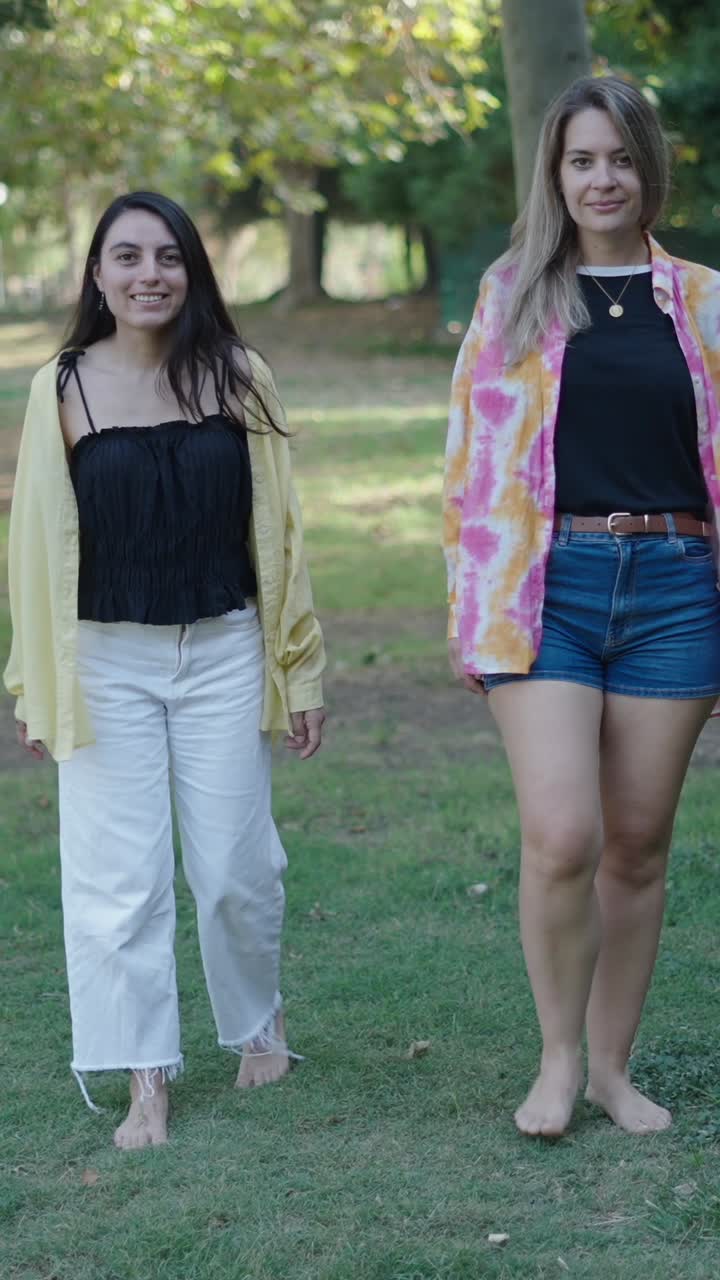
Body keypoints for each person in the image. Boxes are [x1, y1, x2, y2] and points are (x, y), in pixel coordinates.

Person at [4, 190, 326, 1149]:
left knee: (236, 864)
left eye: (169, 257)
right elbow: (31, 547)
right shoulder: (62, 387)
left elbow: (285, 537)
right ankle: (146, 1074)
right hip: (105, 660)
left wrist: (298, 670)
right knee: (118, 880)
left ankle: (257, 1022)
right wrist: (35, 682)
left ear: (193, 272)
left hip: (225, 648)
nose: (150, 275)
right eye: (128, 258)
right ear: (97, 278)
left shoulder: (239, 376)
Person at [444, 76, 720, 1138]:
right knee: (563, 831)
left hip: (675, 588)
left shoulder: (699, 300)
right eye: (580, 160)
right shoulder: (511, 292)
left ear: (648, 167)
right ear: (553, 175)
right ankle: (556, 1059)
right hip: (542, 591)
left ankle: (612, 1066)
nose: (601, 178)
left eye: (618, 158)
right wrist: (472, 617)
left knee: (640, 842)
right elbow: (469, 470)